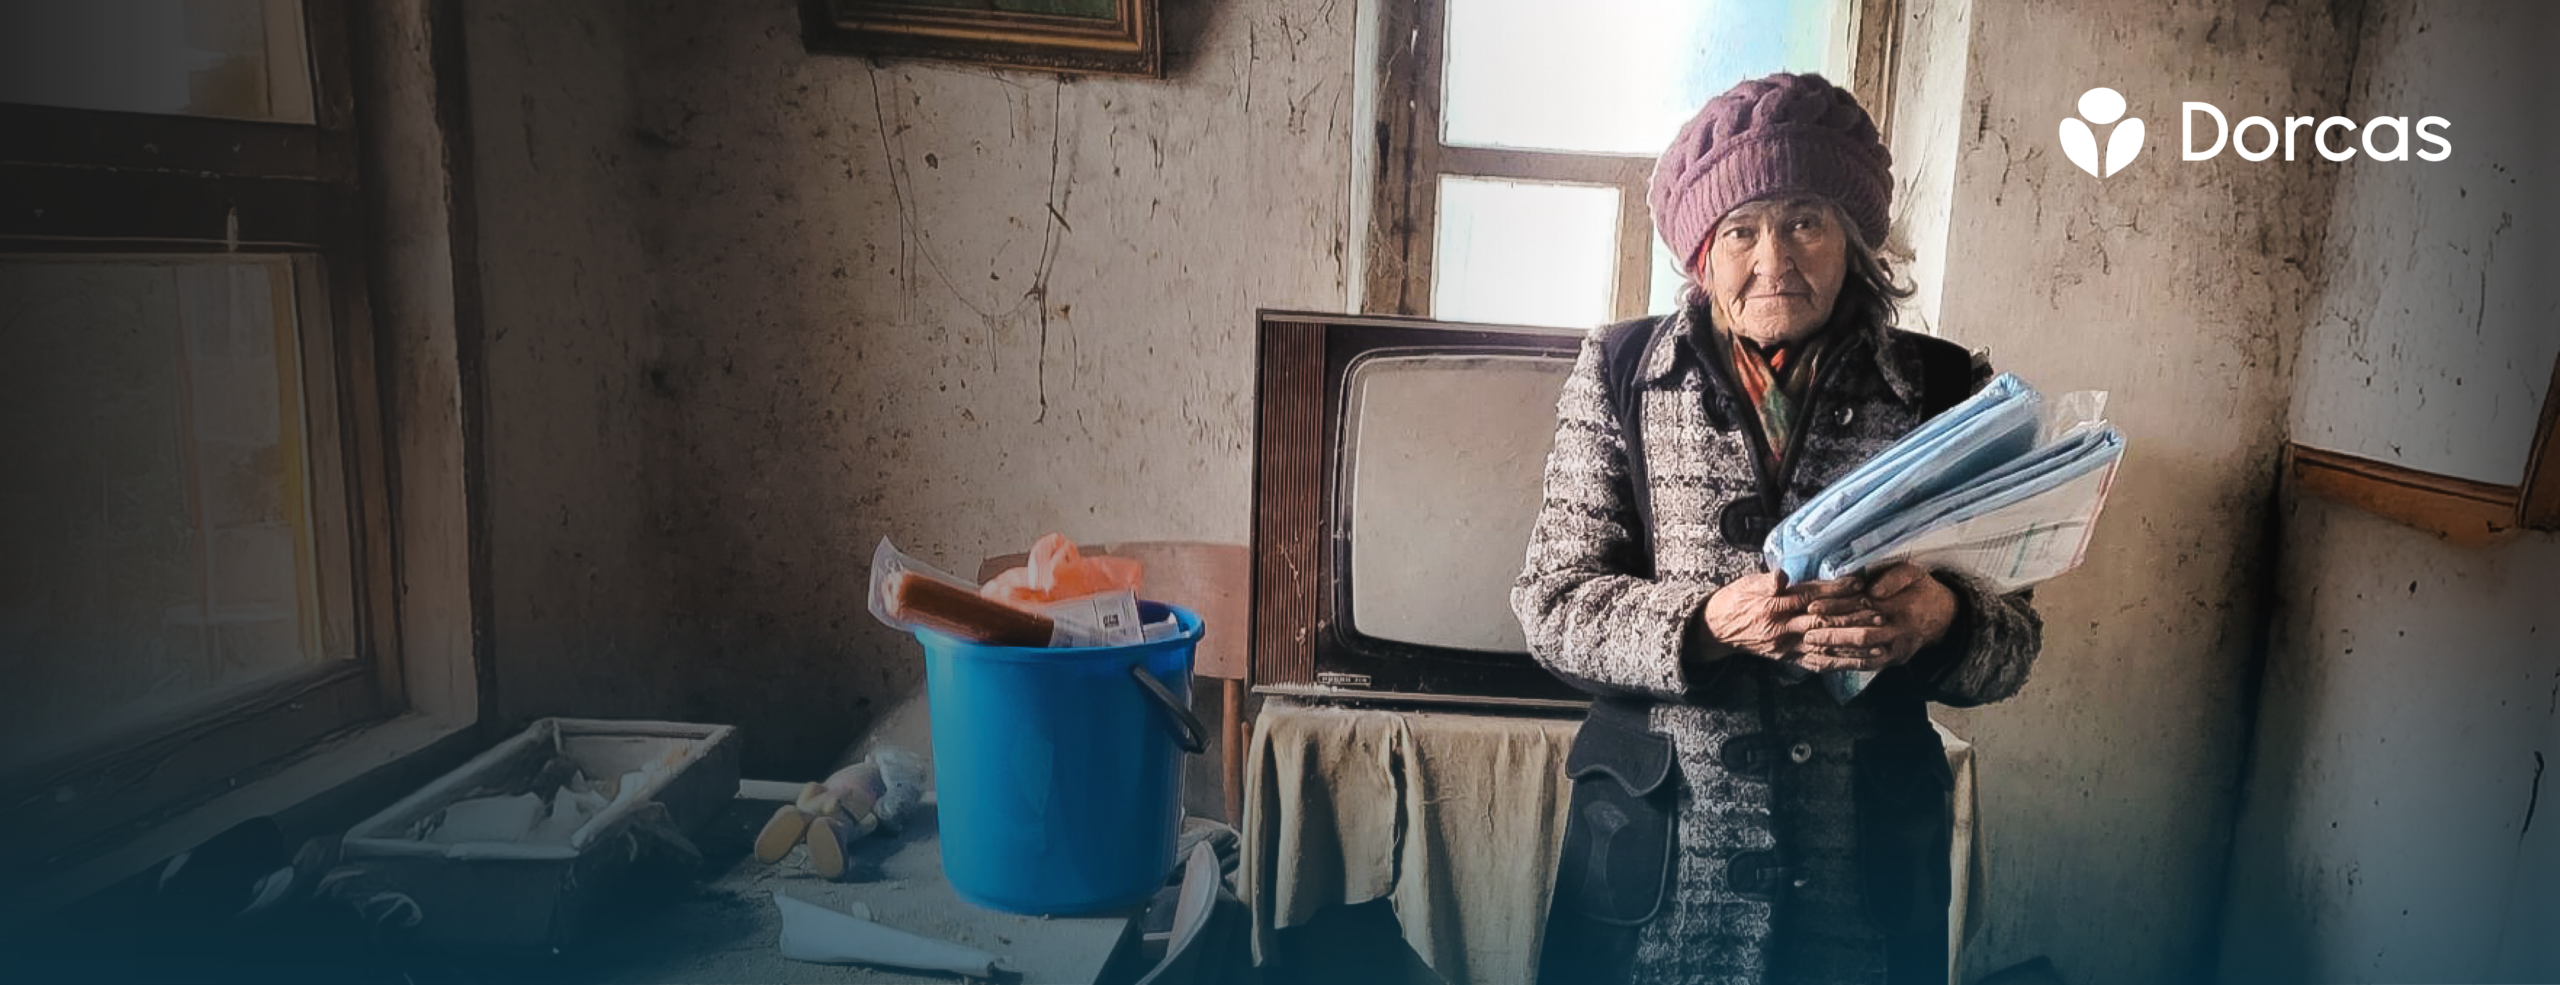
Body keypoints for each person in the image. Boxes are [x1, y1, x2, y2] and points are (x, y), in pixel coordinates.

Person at [1512, 72, 2043, 985]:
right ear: (1700, 254)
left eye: (1805, 220)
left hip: (1861, 881)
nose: (1774, 259)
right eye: (1741, 230)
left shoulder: (1948, 388)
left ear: (1855, 240)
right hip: (1661, 866)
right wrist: (1706, 623)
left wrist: (1942, 621)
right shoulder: (1622, 372)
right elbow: (1554, 604)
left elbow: (2015, 641)